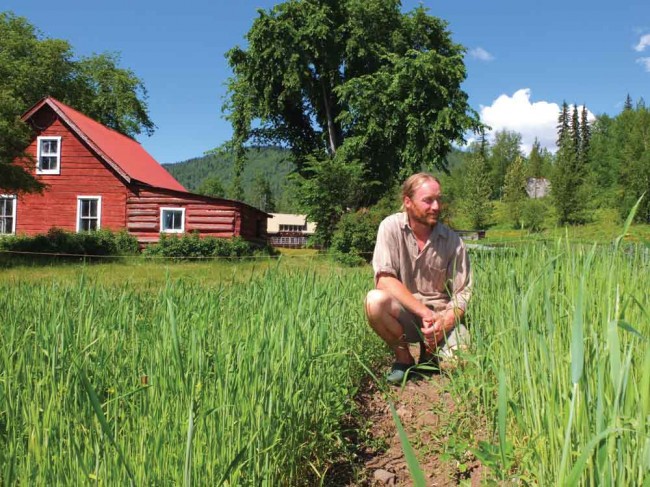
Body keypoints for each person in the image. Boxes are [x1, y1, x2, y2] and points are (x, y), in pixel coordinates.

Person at [365, 173, 472, 384]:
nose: (436, 206)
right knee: (374, 301)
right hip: (404, 314)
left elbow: (464, 292)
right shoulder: (390, 227)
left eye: (438, 199)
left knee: (460, 361)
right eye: (428, 200)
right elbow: (384, 279)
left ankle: (430, 354)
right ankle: (403, 359)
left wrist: (445, 321)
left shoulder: (453, 241)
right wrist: (423, 312)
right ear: (407, 201)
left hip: (440, 316)